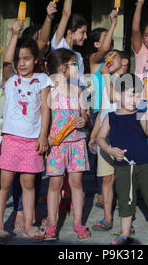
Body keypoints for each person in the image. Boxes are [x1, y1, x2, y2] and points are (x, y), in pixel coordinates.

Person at [0, 21, 52, 243]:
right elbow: (6, 61)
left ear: (35, 59)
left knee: (28, 183)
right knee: (4, 183)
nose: (20, 63)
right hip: (11, 139)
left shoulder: (43, 80)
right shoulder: (10, 79)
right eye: (18, 59)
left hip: (32, 141)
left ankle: (28, 225)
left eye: (26, 58)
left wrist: (43, 135)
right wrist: (14, 34)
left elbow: (45, 108)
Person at [97, 73, 148, 245]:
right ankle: (124, 234)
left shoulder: (140, 114)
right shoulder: (111, 117)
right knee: (125, 199)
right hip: (123, 166)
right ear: (117, 95)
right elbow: (100, 138)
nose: (135, 99)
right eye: (131, 94)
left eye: (138, 95)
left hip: (145, 164)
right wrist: (110, 149)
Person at [12, 1, 57, 232]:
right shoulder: (23, 65)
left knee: (36, 169)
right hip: (20, 129)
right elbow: (41, 40)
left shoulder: (44, 68)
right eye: (42, 40)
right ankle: (19, 210)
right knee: (19, 172)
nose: (47, 43)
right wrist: (49, 18)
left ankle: (31, 208)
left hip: (41, 126)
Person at [44, 48, 91, 241]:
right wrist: (45, 136)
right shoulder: (49, 92)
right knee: (54, 183)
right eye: (74, 64)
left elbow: (87, 116)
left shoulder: (80, 91)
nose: (78, 67)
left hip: (77, 143)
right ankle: (52, 224)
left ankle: (78, 223)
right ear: (62, 68)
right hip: (57, 145)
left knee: (76, 183)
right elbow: (44, 118)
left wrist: (84, 119)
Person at [89, 50, 130, 232]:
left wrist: (105, 76)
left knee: (124, 179)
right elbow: (103, 111)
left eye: (113, 56)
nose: (108, 59)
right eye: (107, 58)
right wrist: (93, 136)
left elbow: (115, 97)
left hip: (124, 135)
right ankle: (107, 217)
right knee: (107, 178)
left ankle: (126, 220)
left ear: (125, 61)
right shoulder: (106, 83)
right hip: (105, 136)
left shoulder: (129, 81)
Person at [86, 10, 119, 209]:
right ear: (97, 45)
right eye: (105, 41)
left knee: (112, 153)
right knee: (99, 155)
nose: (110, 46)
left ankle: (110, 189)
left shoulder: (115, 65)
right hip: (99, 111)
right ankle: (101, 191)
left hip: (112, 112)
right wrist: (112, 23)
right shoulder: (95, 61)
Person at [50, 0, 88, 87]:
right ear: (70, 32)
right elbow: (66, 14)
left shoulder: (79, 57)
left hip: (73, 101)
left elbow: (79, 84)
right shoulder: (58, 44)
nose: (86, 37)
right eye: (82, 32)